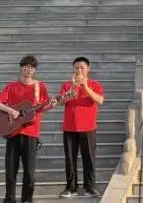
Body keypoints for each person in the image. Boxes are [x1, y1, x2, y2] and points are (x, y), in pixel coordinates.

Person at [0, 55, 56, 203]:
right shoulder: (11, 87)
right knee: (10, 171)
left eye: (32, 68)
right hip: (13, 132)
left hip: (31, 134)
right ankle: (9, 199)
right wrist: (10, 110)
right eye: (26, 67)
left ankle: (27, 200)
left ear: (35, 70)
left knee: (29, 172)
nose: (29, 70)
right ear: (21, 68)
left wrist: (52, 105)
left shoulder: (40, 87)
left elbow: (42, 108)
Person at [58, 57, 104, 198]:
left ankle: (90, 187)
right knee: (70, 159)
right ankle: (70, 188)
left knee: (89, 158)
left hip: (88, 127)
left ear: (88, 69)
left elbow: (100, 100)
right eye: (76, 68)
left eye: (82, 68)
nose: (79, 70)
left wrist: (86, 88)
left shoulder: (95, 84)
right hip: (70, 127)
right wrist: (73, 88)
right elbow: (61, 102)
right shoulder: (67, 85)